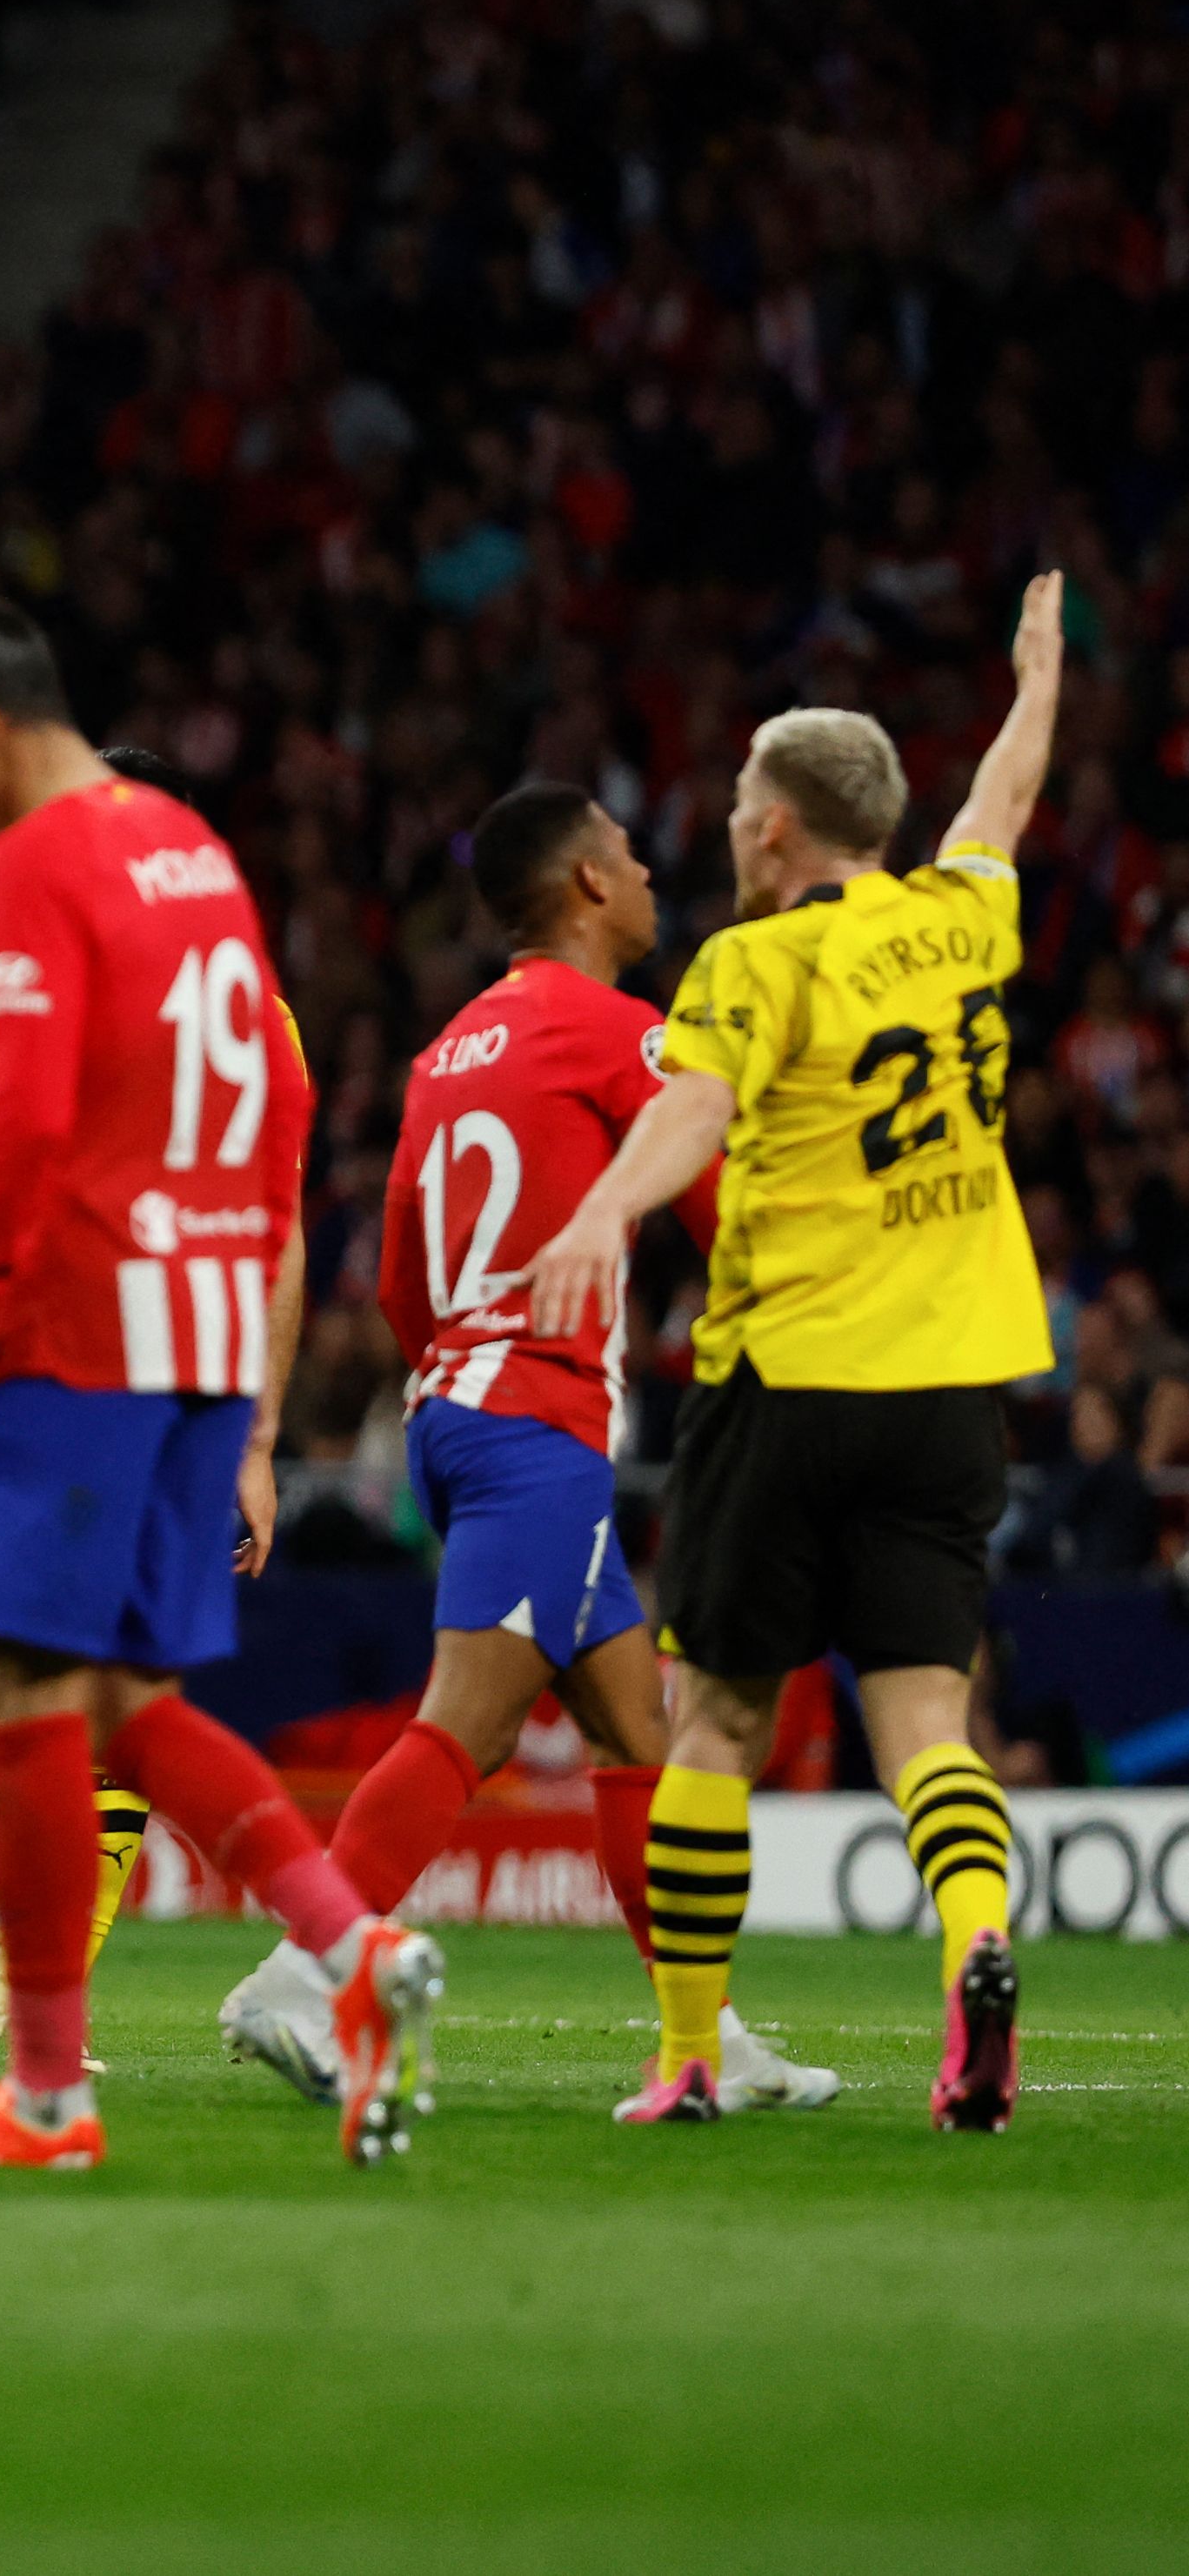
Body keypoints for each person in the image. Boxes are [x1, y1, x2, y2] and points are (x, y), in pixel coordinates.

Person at [0, 597, 434, 2173]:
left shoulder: (39, 865)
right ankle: (349, 1951)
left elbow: (23, 1128)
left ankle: (40, 2095)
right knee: (116, 1702)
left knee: (19, 1692)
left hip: (72, 1338)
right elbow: (277, 1147)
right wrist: (245, 1412)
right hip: (190, 1344)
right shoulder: (204, 880)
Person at [522, 572, 1064, 2132]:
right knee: (922, 1718)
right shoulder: (961, 920)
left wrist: (604, 1214)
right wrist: (1032, 683)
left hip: (790, 1380)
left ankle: (688, 2053)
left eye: (743, 806)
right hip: (950, 1386)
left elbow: (690, 1108)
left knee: (718, 1724)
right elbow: (1005, 801)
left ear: (771, 831)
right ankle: (974, 1944)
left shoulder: (750, 965)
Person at [313, 783, 832, 2109]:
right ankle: (304, 1971)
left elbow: (397, 1287)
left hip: (452, 1407)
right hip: (536, 1421)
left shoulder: (444, 1052)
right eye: (629, 852)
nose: (652, 870)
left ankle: (702, 2036)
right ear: (589, 886)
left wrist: (458, 1367)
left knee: (637, 1740)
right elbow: (721, 1210)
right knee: (466, 1726)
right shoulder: (623, 1032)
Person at [0, 748, 302, 2065]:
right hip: (28, 1373)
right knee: (16, 1681)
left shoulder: (242, 1014)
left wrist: (262, 1436)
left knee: (111, 1692)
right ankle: (3, 1907)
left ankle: (50, 1994)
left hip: (157, 1375)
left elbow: (272, 1229)